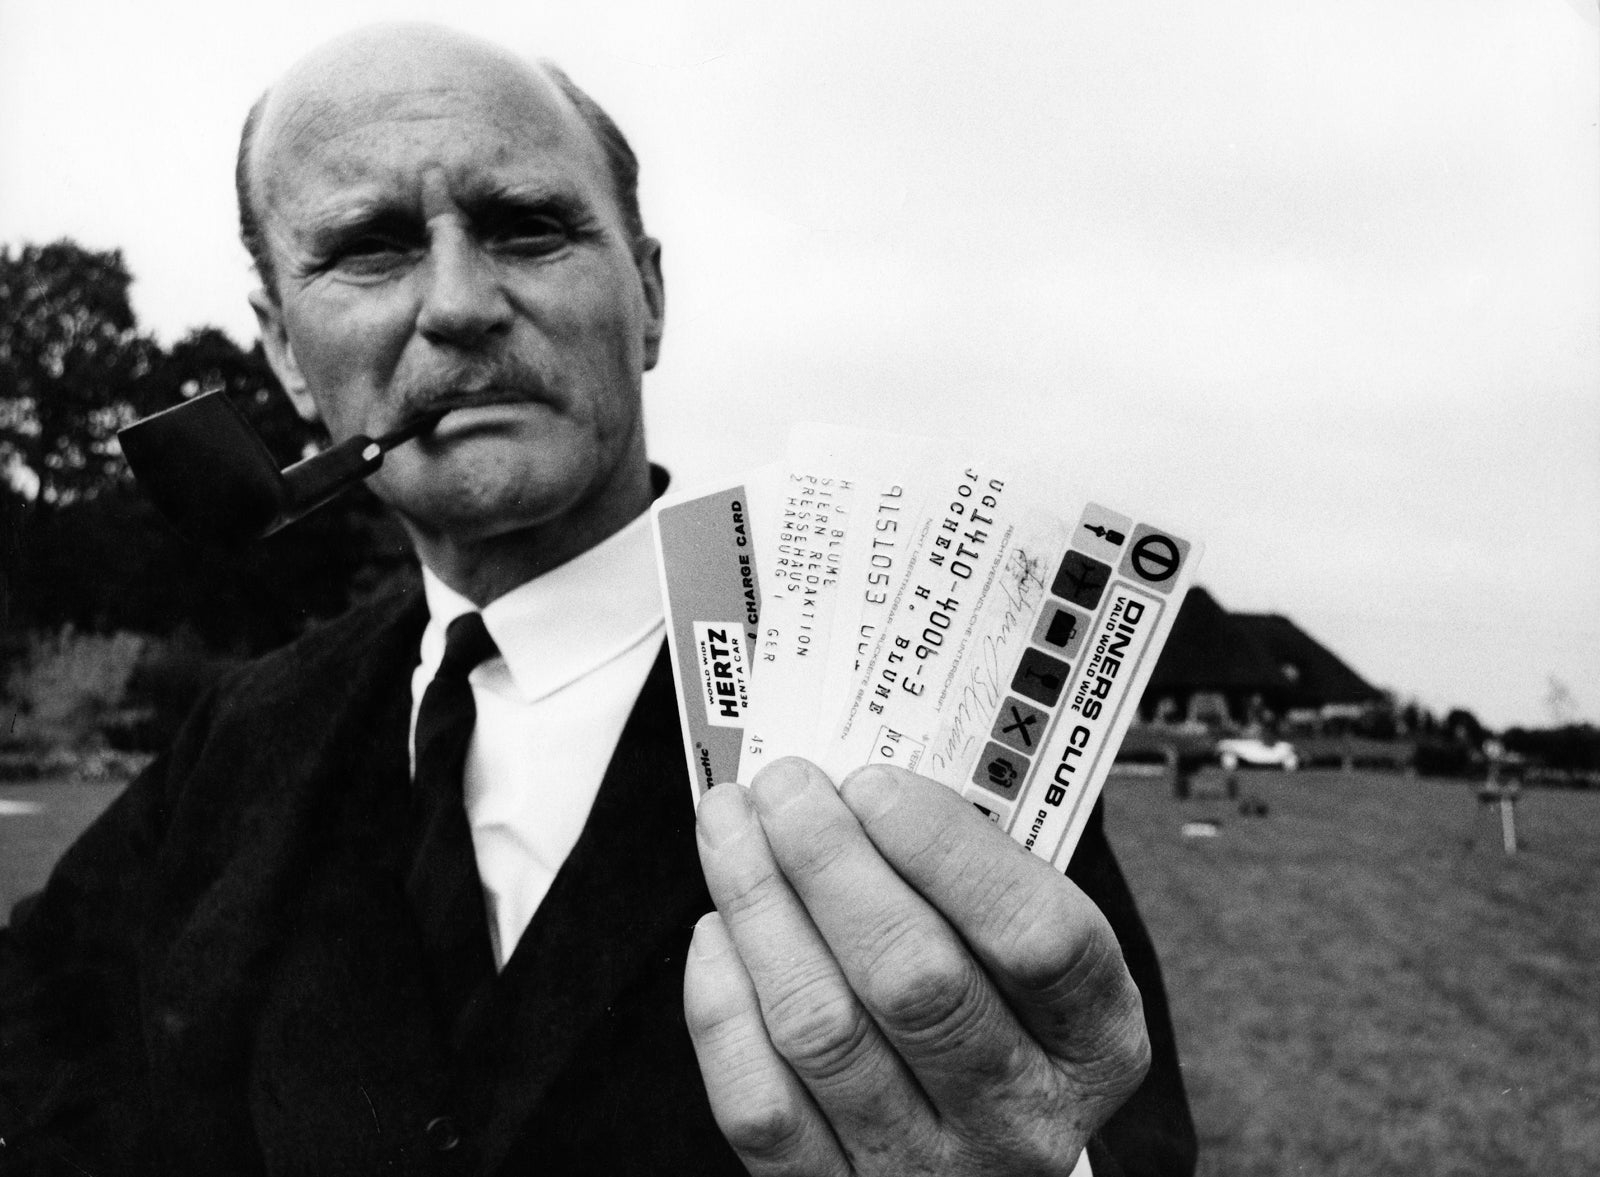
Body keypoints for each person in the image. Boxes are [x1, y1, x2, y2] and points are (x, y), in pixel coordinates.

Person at [0, 24, 1196, 1177]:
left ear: (652, 300)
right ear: (280, 351)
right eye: (369, 245)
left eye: (527, 229)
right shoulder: (242, 735)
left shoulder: (915, 708)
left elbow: (1114, 1130)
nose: (459, 303)